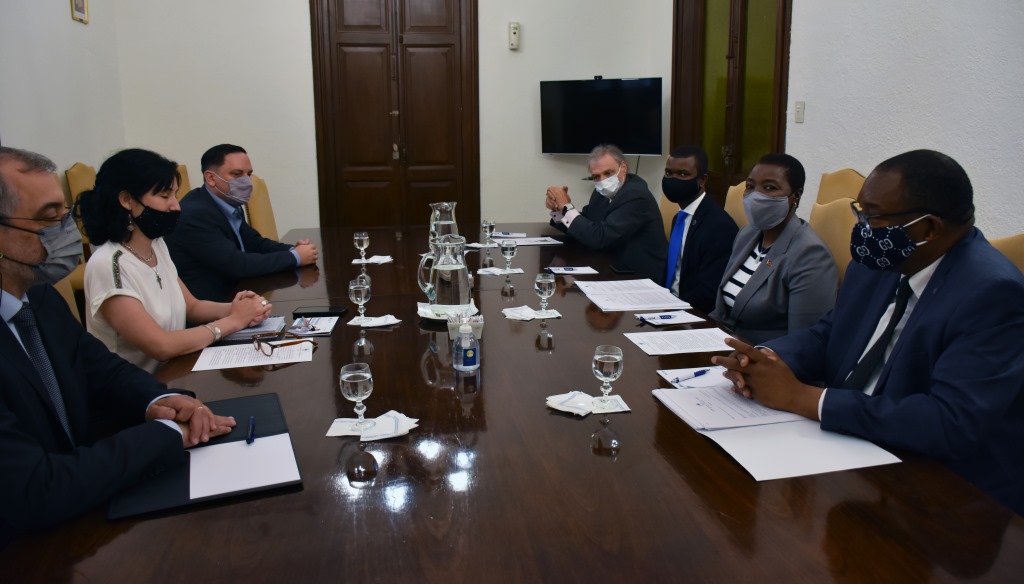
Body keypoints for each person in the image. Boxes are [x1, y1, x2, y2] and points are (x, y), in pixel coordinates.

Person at [713, 150, 1024, 513]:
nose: (861, 228)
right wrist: (768, 358)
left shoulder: (992, 293)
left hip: (940, 493)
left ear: (929, 228)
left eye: (872, 216)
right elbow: (829, 333)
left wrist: (805, 399)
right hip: (842, 446)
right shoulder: (884, 259)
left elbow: (950, 422)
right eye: (859, 212)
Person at [0, 147, 235, 542]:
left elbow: (100, 369)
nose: (65, 231)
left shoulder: (39, 297)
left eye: (63, 214)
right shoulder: (103, 266)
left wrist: (160, 400)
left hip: (83, 501)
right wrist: (167, 433)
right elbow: (33, 491)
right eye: (46, 218)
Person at [76, 149, 273, 372]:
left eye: (175, 196)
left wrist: (240, 309)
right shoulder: (109, 264)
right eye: (164, 196)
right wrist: (233, 321)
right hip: (139, 393)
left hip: (176, 372)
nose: (176, 206)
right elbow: (161, 345)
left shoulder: (156, 244)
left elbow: (192, 306)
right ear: (127, 199)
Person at [708, 153, 836, 344]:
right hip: (722, 343)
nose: (755, 195)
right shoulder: (747, 234)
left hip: (763, 360)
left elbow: (803, 343)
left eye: (770, 188)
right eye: (750, 186)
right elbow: (723, 310)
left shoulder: (810, 255)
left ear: (796, 196)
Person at [166, 144, 318, 301]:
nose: (246, 181)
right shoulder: (195, 213)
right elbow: (237, 265)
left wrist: (294, 249)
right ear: (211, 178)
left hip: (239, 294)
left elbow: (255, 243)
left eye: (249, 174)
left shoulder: (228, 203)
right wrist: (295, 257)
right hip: (211, 308)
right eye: (237, 174)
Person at [545, 144, 666, 282]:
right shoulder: (600, 193)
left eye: (608, 173)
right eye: (596, 176)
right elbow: (588, 224)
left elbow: (600, 237)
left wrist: (567, 207)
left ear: (623, 168)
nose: (603, 180)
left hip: (637, 277)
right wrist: (559, 211)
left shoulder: (636, 195)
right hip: (608, 268)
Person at [661, 145, 738, 313]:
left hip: (693, 313)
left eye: (683, 174)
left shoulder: (718, 226)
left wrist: (671, 309)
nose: (673, 179)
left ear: (702, 180)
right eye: (668, 173)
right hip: (666, 305)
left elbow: (708, 292)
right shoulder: (679, 218)